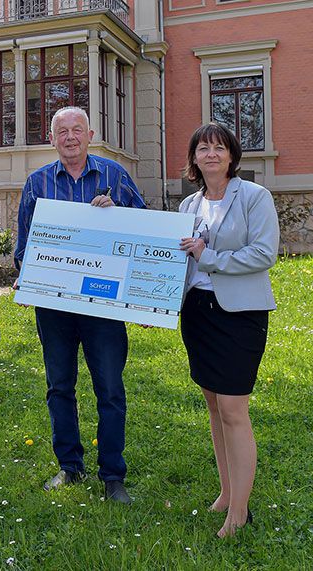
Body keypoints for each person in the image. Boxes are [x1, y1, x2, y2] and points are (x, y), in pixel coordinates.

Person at [14, 106, 145, 504]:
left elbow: (144, 231)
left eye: (77, 130)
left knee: (109, 387)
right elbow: (24, 246)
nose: (70, 137)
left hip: (103, 306)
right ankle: (69, 467)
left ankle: (113, 476)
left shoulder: (114, 177)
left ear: (90, 135)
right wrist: (29, 275)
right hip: (54, 306)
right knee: (59, 386)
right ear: (51, 139)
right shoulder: (36, 184)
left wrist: (117, 216)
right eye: (62, 131)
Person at [178, 123, 279, 538]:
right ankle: (225, 492)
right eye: (203, 148)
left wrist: (211, 256)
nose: (211, 154)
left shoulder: (255, 197)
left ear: (232, 156)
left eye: (219, 148)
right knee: (215, 408)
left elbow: (263, 252)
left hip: (239, 315)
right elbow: (177, 261)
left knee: (235, 411)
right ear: (195, 159)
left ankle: (239, 513)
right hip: (198, 313)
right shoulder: (188, 205)